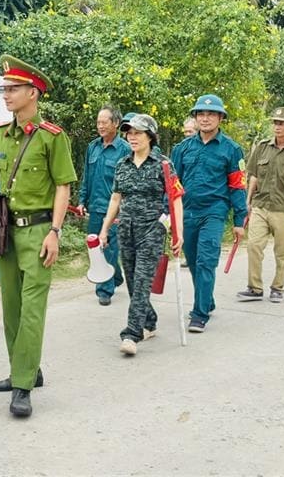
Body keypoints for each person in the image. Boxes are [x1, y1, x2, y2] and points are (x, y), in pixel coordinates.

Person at [0, 55, 76, 419]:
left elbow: (63, 186)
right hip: (3, 230)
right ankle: (23, 369)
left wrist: (55, 231)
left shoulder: (52, 137)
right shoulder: (0, 136)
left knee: (33, 310)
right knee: (11, 308)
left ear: (33, 93)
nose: (5, 95)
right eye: (4, 88)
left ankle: (22, 386)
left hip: (38, 231)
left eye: (13, 89)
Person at [99, 114, 183, 355]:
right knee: (133, 280)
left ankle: (131, 334)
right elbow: (116, 198)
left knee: (143, 279)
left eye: (137, 132)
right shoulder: (122, 164)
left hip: (152, 230)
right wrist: (105, 229)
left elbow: (176, 199)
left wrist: (179, 234)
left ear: (150, 136)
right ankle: (150, 320)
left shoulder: (164, 165)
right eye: (129, 132)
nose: (132, 137)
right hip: (126, 229)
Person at [170, 94, 247, 332]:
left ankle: (199, 314)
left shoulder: (232, 150)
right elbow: (173, 185)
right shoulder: (182, 149)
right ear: (195, 118)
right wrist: (168, 216)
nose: (205, 119)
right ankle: (208, 299)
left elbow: (237, 186)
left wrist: (239, 220)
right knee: (192, 261)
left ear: (220, 118)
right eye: (201, 114)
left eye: (211, 114)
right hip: (188, 213)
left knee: (206, 261)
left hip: (214, 212)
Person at [240, 107, 284, 303]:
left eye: (282, 123)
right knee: (253, 245)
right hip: (261, 205)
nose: (277, 127)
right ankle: (254, 288)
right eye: (275, 123)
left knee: (282, 251)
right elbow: (253, 175)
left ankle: (277, 287)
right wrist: (248, 201)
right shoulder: (261, 147)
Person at [79, 104, 131, 306]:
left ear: (116, 124)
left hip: (114, 209)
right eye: (98, 122)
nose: (100, 126)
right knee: (95, 248)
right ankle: (115, 276)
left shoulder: (125, 149)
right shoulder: (93, 147)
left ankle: (104, 289)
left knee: (108, 247)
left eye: (104, 122)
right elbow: (87, 176)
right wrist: (82, 200)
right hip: (95, 207)